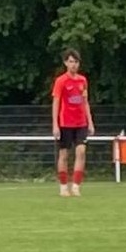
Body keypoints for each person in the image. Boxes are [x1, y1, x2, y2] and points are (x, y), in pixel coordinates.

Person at [50, 49, 94, 197]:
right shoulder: (61, 81)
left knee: (81, 151)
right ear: (65, 63)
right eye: (71, 61)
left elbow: (85, 102)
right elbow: (56, 103)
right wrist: (55, 124)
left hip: (81, 123)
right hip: (65, 123)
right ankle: (63, 186)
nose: (73, 64)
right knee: (64, 154)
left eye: (76, 62)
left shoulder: (82, 81)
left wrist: (90, 121)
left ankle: (76, 186)